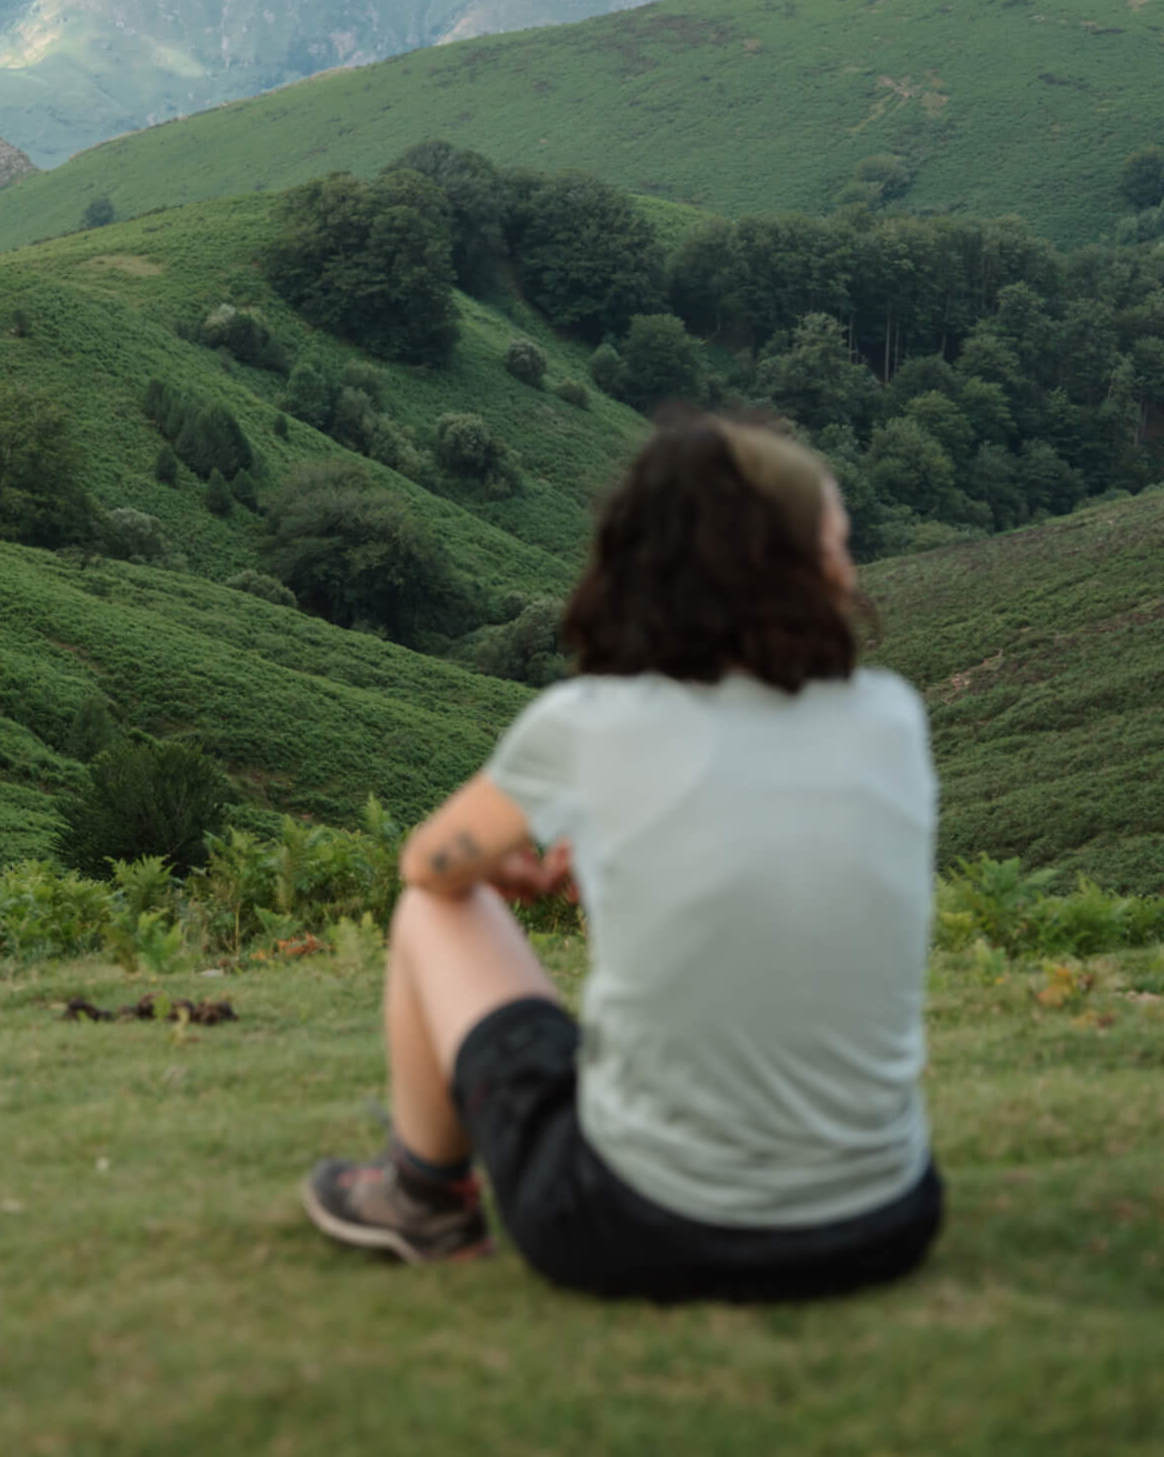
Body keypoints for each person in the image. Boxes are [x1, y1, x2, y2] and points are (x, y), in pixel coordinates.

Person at [301, 418, 944, 1300]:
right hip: (884, 1221)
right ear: (805, 570)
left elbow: (427, 863)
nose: (853, 568)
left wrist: (517, 866)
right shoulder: (893, 717)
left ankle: (425, 1198)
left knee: (430, 909)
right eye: (840, 544)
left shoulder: (590, 725)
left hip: (633, 1227)